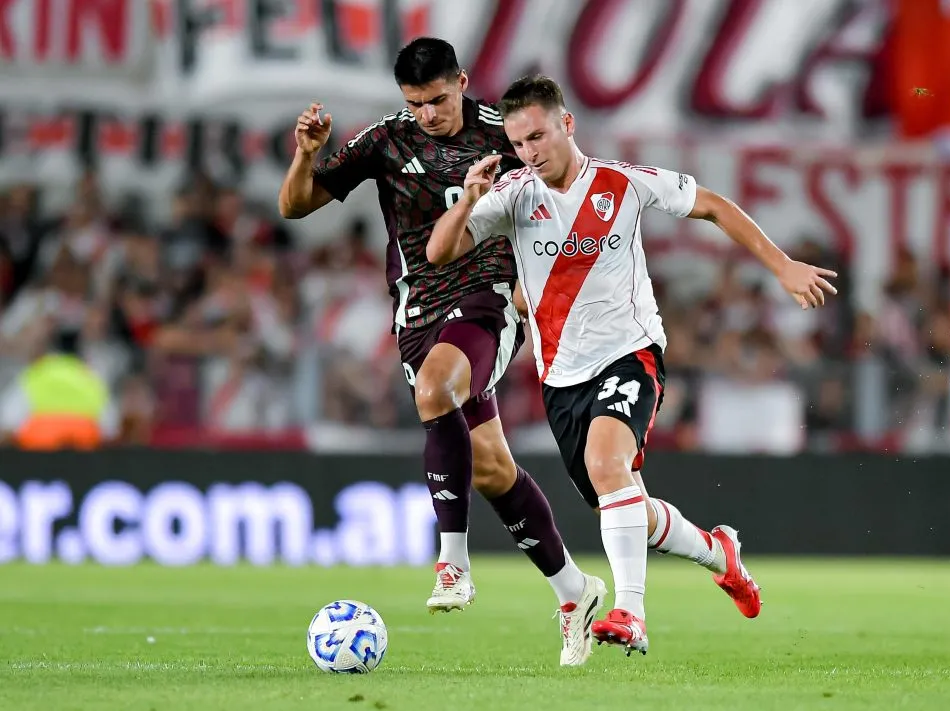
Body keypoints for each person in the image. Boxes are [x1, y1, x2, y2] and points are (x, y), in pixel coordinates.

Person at [428, 75, 839, 656]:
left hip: (631, 353)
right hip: (560, 377)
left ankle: (630, 611)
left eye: (539, 136)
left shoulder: (623, 183)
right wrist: (469, 198)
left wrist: (781, 266)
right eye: (518, 143)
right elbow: (438, 251)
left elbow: (714, 207)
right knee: (625, 502)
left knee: (605, 463)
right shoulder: (514, 195)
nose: (530, 152)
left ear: (567, 124)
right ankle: (719, 552)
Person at [278, 41, 604, 666]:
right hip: (416, 311)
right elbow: (294, 206)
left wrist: (531, 281)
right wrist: (306, 155)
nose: (427, 114)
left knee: (435, 391)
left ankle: (452, 563)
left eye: (437, 100)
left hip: (488, 299)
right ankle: (574, 592)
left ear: (461, 82)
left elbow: (568, 196)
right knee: (490, 471)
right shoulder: (385, 141)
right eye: (415, 104)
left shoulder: (506, 134)